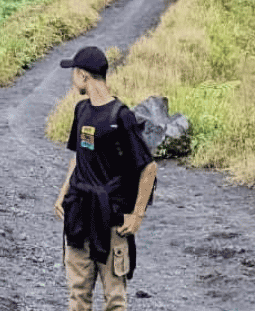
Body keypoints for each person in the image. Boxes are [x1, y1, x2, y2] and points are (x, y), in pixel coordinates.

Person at [54, 46, 157, 311]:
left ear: (83, 76)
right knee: (78, 295)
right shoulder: (81, 111)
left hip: (111, 221)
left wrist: (137, 215)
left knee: (114, 299)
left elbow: (148, 168)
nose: (72, 80)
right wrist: (64, 191)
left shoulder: (121, 117)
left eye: (74, 74)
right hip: (79, 215)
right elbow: (78, 155)